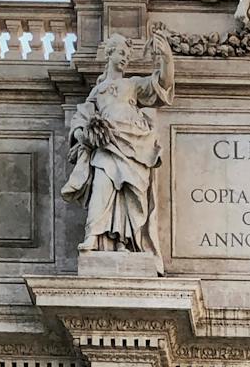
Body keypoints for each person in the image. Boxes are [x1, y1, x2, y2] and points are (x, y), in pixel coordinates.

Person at [62, 32, 174, 264]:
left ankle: (124, 241)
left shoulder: (131, 84)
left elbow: (162, 86)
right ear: (109, 53)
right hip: (106, 143)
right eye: (121, 53)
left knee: (131, 193)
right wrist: (84, 133)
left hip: (133, 143)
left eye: (128, 55)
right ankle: (94, 237)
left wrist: (166, 59)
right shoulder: (97, 91)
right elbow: (82, 117)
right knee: (102, 186)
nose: (125, 58)